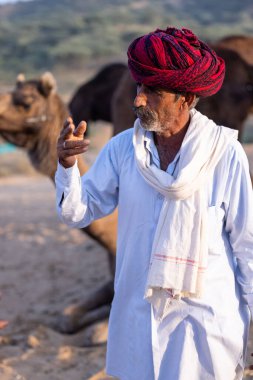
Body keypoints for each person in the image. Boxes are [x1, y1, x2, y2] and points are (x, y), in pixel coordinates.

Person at [55, 27, 253, 380]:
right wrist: (68, 168)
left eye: (153, 90)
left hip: (205, 324)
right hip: (138, 319)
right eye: (139, 87)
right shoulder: (122, 150)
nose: (139, 100)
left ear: (186, 98)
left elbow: (247, 246)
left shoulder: (225, 155)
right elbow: (78, 211)